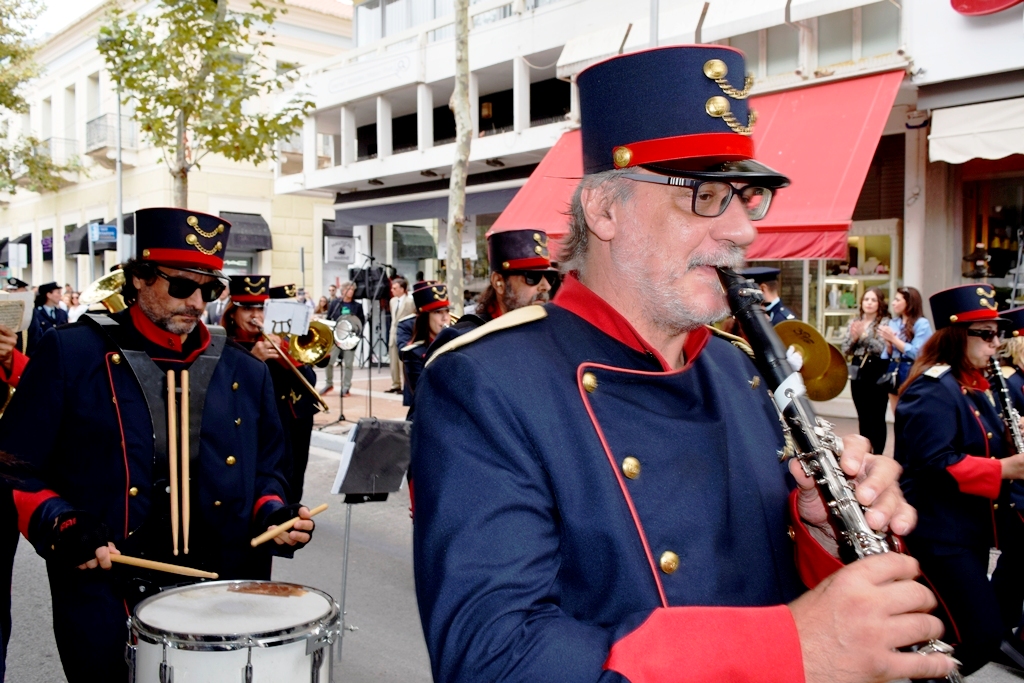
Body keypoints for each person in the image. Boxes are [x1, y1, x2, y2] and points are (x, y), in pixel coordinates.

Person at [410, 46, 954, 683]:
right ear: (604, 210)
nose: (744, 232)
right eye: (704, 195)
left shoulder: (741, 370)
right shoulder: (485, 381)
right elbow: (492, 661)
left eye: (747, 197)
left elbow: (769, 580)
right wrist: (791, 648)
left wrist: (824, 534)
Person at [0, 208, 315, 682]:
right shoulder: (72, 353)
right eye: (182, 287)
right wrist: (62, 522)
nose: (196, 303)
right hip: (108, 594)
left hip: (223, 594)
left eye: (209, 290)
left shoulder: (245, 370)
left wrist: (273, 512)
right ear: (140, 279)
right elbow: (14, 468)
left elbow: (269, 467)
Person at [895, 284, 1024, 675]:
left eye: (996, 333)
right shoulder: (933, 389)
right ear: (956, 335)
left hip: (969, 529)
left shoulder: (975, 385)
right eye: (985, 334)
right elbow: (933, 463)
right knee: (981, 635)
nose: (995, 342)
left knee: (960, 629)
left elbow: (982, 442)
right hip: (939, 533)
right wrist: (1005, 469)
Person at [223, 277, 319, 503]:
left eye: (261, 308)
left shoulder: (282, 339)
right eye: (246, 309)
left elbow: (309, 382)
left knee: (293, 479)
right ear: (232, 314)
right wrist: (254, 359)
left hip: (291, 422)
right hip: (253, 425)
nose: (255, 316)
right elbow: (227, 392)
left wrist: (289, 359)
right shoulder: (224, 346)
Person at [841, 287, 891, 454]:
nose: (869, 303)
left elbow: (880, 348)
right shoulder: (854, 321)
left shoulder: (885, 322)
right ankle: (865, 451)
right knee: (863, 416)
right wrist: (855, 338)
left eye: (873, 300)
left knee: (877, 415)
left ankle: (878, 453)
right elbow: (845, 348)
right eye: (866, 299)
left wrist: (863, 336)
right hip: (857, 370)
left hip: (876, 369)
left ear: (879, 303)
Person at [474, 229, 556, 322]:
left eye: (549, 277)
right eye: (532, 276)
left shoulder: (552, 329)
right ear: (498, 282)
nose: (547, 286)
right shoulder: (472, 334)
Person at [399, 281, 449, 418]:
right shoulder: (414, 353)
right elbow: (425, 395)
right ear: (426, 318)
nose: (445, 318)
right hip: (427, 419)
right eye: (438, 312)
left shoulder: (454, 345)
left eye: (447, 311)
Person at [879, 286, 932, 413]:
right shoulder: (894, 322)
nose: (893, 303)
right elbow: (886, 355)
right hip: (893, 370)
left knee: (911, 412)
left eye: (897, 300)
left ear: (909, 302)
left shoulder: (921, 323)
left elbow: (917, 353)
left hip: (911, 371)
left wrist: (894, 339)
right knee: (896, 412)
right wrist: (888, 344)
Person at [323, 281, 364, 397]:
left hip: (350, 339)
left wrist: (356, 336)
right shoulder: (335, 303)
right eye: (348, 289)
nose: (351, 292)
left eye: (352, 290)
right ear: (343, 291)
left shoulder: (357, 306)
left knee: (348, 364)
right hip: (336, 337)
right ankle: (328, 383)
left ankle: (346, 387)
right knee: (329, 361)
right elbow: (329, 318)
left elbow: (361, 322)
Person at [26, 282, 69, 356]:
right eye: (58, 293)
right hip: (43, 353)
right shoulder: (36, 313)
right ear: (49, 295)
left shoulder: (62, 313)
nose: (60, 295)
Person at [387, 277, 414, 394]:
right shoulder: (392, 301)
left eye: (395, 288)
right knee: (393, 362)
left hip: (405, 335)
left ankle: (405, 386)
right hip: (393, 335)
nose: (392, 290)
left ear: (402, 289)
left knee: (403, 362)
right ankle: (395, 384)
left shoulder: (410, 301)